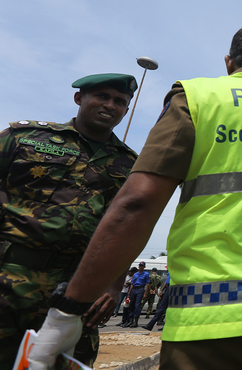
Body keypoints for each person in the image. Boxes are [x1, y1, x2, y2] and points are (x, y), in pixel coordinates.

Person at [27, 25, 242, 370]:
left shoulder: (197, 98)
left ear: (229, 63)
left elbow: (137, 203)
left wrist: (70, 307)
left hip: (215, 317)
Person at [0, 73, 139, 368]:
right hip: (9, 274)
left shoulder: (131, 165)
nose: (110, 105)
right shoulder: (25, 138)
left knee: (68, 362)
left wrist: (114, 287)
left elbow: (127, 229)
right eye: (102, 96)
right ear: (80, 98)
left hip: (76, 290)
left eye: (120, 102)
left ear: (126, 111)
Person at [124, 261, 150, 328]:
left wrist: (145, 293)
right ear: (138, 266)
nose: (140, 267)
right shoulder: (135, 274)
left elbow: (148, 284)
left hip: (140, 289)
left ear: (144, 267)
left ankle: (135, 322)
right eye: (140, 266)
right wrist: (129, 293)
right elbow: (132, 284)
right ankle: (130, 321)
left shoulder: (146, 274)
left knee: (137, 305)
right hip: (134, 289)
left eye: (142, 266)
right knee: (131, 305)